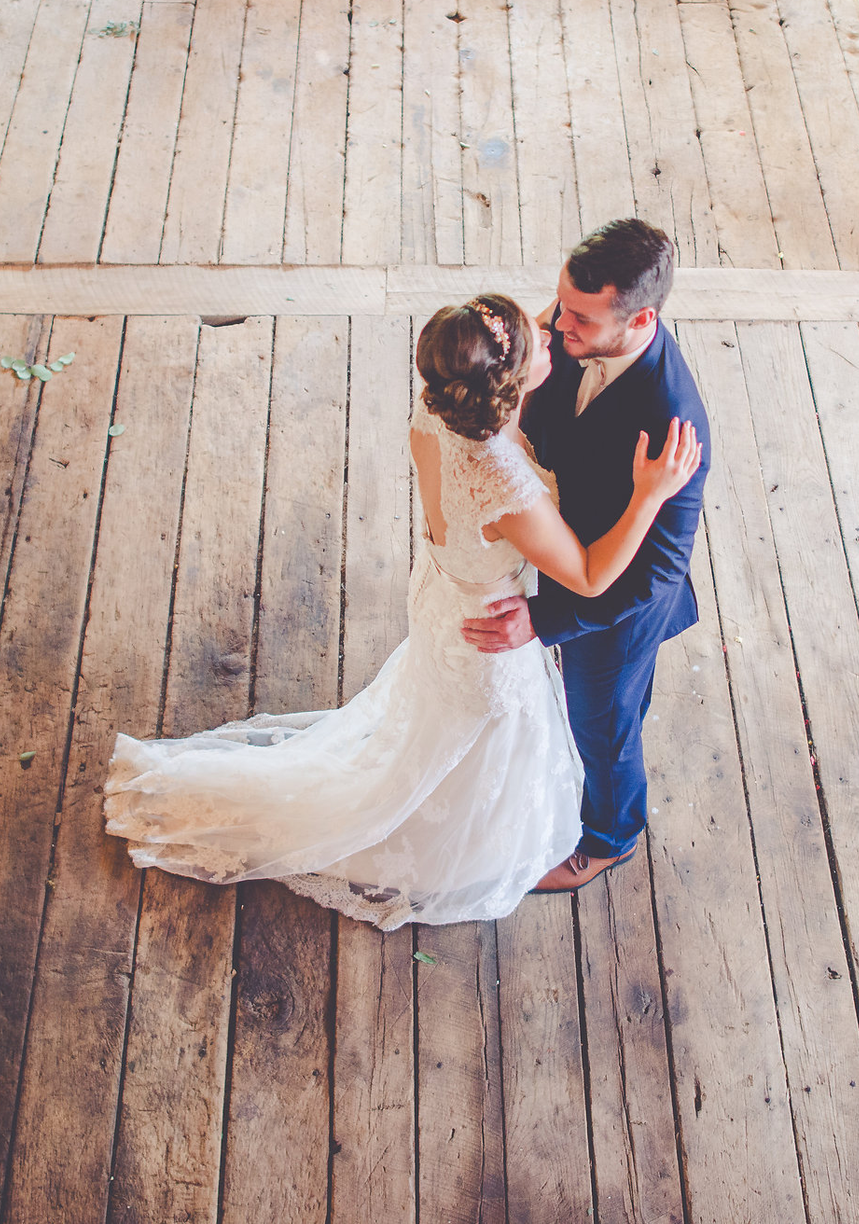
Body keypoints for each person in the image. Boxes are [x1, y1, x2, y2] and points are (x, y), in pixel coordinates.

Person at [100, 292, 701, 929]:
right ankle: (455, 839)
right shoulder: (505, 484)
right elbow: (588, 575)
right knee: (483, 738)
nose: (552, 331)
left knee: (434, 727)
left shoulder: (439, 405)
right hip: (487, 633)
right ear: (511, 383)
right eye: (540, 337)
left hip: (445, 596)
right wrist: (648, 496)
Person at [460, 219, 711, 894]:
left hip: (613, 612)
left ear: (640, 319)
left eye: (577, 317)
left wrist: (546, 620)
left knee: (603, 725)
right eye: (560, 301)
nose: (552, 326)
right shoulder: (572, 328)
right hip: (560, 536)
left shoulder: (672, 423)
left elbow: (655, 574)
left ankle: (609, 837)